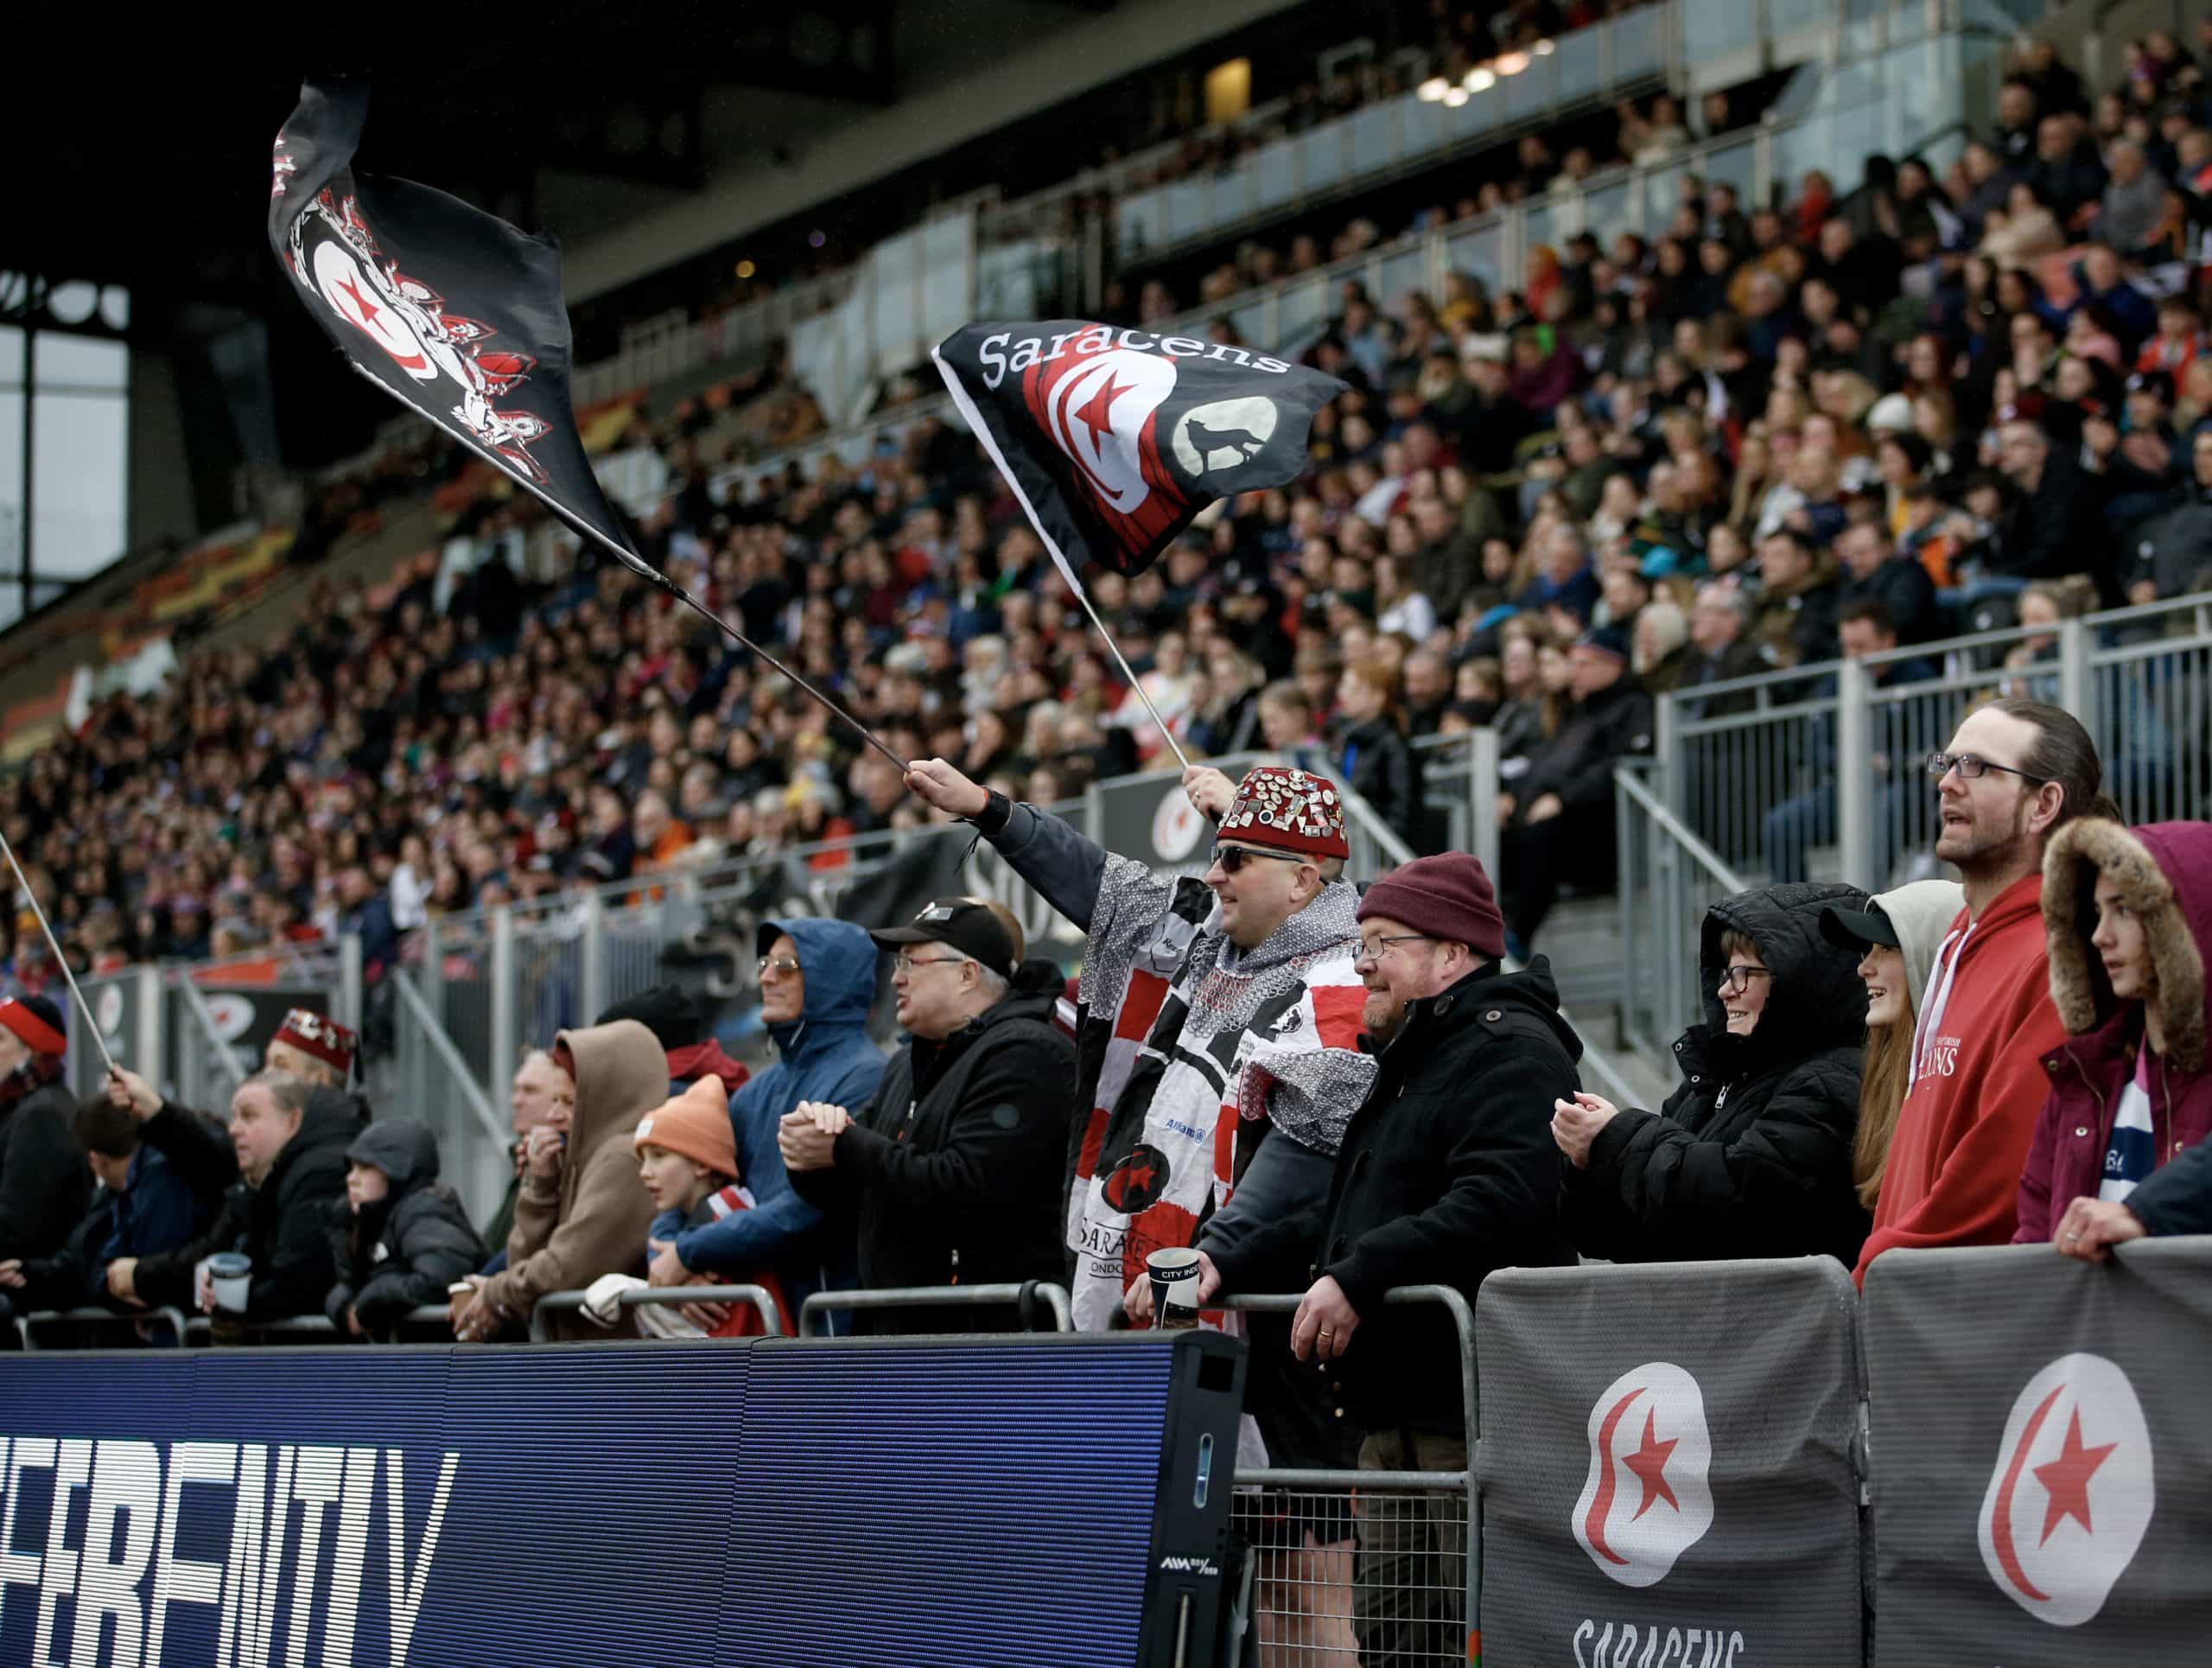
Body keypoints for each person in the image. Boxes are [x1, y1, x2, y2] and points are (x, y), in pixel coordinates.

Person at [1184, 852, 1579, 1665]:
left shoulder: (1515, 1052)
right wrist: (1231, 1260)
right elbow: (1343, 1215)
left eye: (1381, 943)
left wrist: (1359, 1277)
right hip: (1393, 1410)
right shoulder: (1405, 1061)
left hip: (1471, 1415)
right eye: (1360, 942)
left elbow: (1501, 1197)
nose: (1361, 962)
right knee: (1398, 1642)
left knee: (1483, 1632)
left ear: (1452, 954)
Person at [903, 758, 1373, 1334]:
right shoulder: (1206, 932)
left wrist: (1214, 1254)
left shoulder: (1345, 982)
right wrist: (989, 809)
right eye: (1216, 854)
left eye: (1233, 858)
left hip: (1252, 1303)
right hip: (1152, 1269)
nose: (1214, 875)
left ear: (1302, 881)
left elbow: (1300, 1164)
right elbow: (1103, 886)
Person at [1853, 699, 2113, 1284]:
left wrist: (1876, 1271)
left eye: (1978, 768)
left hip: (1970, 1321)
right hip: (1914, 1310)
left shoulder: (2058, 954)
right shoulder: (1955, 943)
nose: (1947, 782)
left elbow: (2004, 1172)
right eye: (1947, 764)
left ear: (2043, 804)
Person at [780, 899, 1073, 1332]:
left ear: (967, 974)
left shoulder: (1028, 1053)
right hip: (900, 1331)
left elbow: (966, 1184)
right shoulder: (905, 1062)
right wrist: (809, 1156)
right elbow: (860, 1185)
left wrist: (844, 1145)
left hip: (992, 1344)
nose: (896, 978)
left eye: (912, 963)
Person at [1554, 882, 1873, 1264]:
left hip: (1779, 1322)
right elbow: (1619, 1237)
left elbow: (1737, 1202)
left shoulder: (1834, 1081)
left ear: (1798, 980)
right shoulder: (1717, 1083)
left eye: (1744, 973)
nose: (1725, 990)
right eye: (1726, 972)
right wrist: (1591, 1160)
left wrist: (1617, 1139)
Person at [650, 919, 885, 1323]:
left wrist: (689, 1253)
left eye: (788, 966)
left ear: (830, 976)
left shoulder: (866, 1076)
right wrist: (672, 1260)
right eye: (763, 964)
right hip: (764, 1322)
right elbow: (690, 1176)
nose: (767, 977)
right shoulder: (759, 1089)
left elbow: (807, 1211)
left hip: (832, 1328)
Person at [2018, 819, 2212, 1251]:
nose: (2100, 936)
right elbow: (2030, 1247)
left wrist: (2144, 1212)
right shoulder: (2080, 1081)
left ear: (2184, 925)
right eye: (2098, 911)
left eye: (2123, 909)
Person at [452, 1019, 664, 1341]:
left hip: (619, 1371)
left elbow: (565, 1268)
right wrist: (541, 1186)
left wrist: (497, 1293)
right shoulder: (583, 1157)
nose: (553, 1116)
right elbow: (523, 1263)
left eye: (568, 1102)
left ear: (607, 1099)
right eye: (555, 1100)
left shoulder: (623, 1158)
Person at [132, 1071, 362, 1321]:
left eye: (249, 1116)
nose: (233, 1129)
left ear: (292, 1122)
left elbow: (297, 1283)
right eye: (234, 1116)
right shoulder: (256, 1183)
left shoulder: (319, 1175)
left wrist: (238, 1302)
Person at [585, 1074, 791, 1338]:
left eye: (659, 1156)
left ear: (703, 1164)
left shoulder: (731, 1219)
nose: (645, 1173)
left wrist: (630, 1289)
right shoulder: (684, 1220)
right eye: (643, 1160)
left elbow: (724, 1333)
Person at [1497, 627, 1655, 957]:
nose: (1574, 672)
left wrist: (1563, 799)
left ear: (1613, 666)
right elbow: (1543, 764)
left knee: (1542, 835)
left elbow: (1619, 767)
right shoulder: (1576, 712)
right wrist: (1513, 795)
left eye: (1584, 663)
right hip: (1557, 819)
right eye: (1573, 663)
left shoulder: (1633, 706)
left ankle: (1519, 934)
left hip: (1600, 830)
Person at [1818, 880, 1968, 1214]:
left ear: (1934, 953)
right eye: (1867, 950)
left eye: (1886, 949)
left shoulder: (1962, 1080)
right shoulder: (1882, 1068)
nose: (1863, 968)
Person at [0, 1092, 204, 1318]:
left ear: (95, 1158)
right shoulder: (113, 1196)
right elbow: (75, 1267)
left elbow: (118, 1278)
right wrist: (31, 1274)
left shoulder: (160, 1188)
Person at [324, 1118, 486, 1338]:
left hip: (447, 1358)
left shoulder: (424, 1211)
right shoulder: (361, 1221)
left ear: (397, 1171)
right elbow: (347, 1283)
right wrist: (345, 1310)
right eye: (351, 1168)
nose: (351, 1179)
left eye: (365, 1168)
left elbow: (440, 1278)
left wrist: (368, 1305)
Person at [0, 996, 89, 1267]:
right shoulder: (24, 1107)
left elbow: (17, 1226)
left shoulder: (41, 1114)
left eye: (1, 1039)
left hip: (33, 1279)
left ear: (30, 1051)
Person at [479, 1047, 575, 1270]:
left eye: (530, 1091)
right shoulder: (523, 1163)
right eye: (515, 1090)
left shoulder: (564, 1167)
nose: (516, 1100)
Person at [1334, 656, 1422, 849]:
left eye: (1353, 689)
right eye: (1343, 687)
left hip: (1381, 852)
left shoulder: (1393, 743)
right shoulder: (1349, 739)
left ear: (1378, 697)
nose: (1342, 695)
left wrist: (1386, 856)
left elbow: (1403, 807)